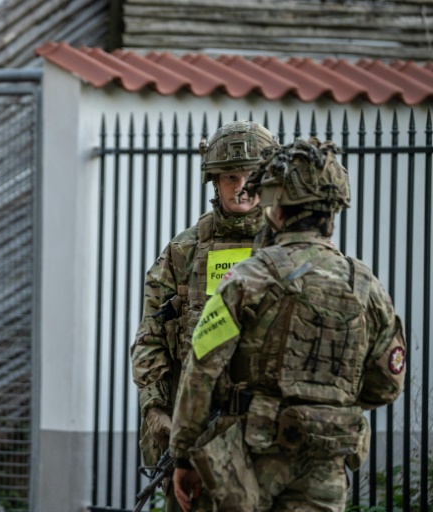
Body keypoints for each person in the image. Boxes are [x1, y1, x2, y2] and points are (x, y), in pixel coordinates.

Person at [170, 138, 406, 512]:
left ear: (276, 208)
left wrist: (184, 456)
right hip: (327, 461)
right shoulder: (365, 285)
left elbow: (201, 371)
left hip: (250, 460)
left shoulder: (246, 279)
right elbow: (386, 386)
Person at [130, 120, 277, 511]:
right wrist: (156, 410)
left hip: (269, 438)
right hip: (194, 437)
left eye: (251, 175)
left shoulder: (287, 249)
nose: (241, 185)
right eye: (230, 175)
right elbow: (150, 338)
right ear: (214, 180)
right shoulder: (186, 251)